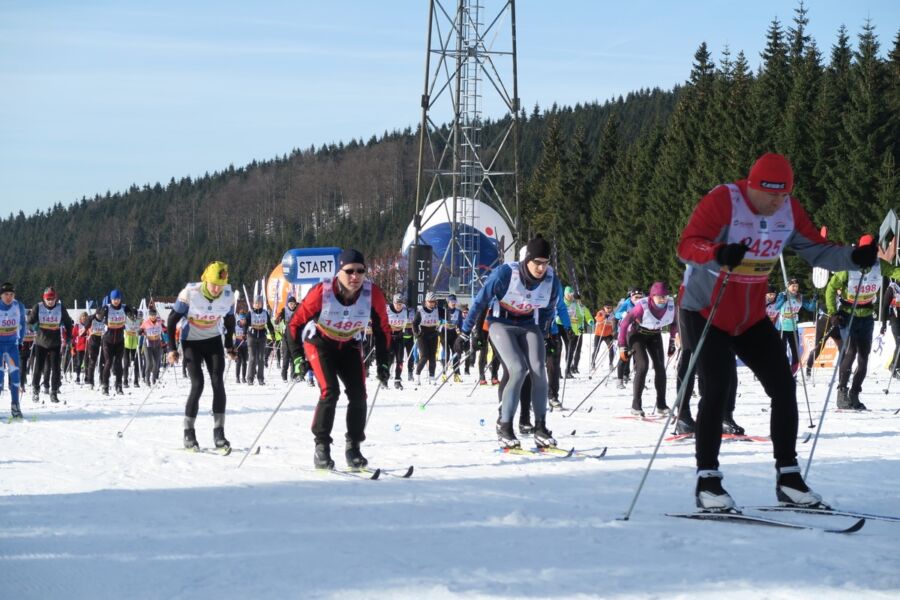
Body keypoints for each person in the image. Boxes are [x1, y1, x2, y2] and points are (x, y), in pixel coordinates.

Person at [677, 152, 874, 510]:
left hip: (749, 317)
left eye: (784, 194)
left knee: (784, 386)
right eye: (770, 194)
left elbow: (817, 250)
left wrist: (852, 258)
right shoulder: (724, 200)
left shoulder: (789, 211)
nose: (777, 201)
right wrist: (718, 253)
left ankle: (789, 477)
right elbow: (688, 244)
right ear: (752, 187)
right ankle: (708, 480)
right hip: (705, 310)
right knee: (717, 387)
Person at [455, 235, 570, 449]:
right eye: (537, 262)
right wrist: (465, 333)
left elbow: (547, 310)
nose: (541, 268)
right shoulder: (506, 274)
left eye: (545, 263)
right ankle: (505, 425)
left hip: (528, 324)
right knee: (517, 368)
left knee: (538, 368)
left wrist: (547, 336)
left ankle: (540, 427)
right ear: (527, 259)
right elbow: (479, 302)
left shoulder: (551, 281)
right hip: (501, 323)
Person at [287, 249, 391, 470]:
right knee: (330, 391)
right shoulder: (321, 292)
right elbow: (294, 324)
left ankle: (353, 447)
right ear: (339, 272)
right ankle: (322, 447)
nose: (355, 276)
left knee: (359, 394)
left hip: (349, 346)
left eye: (360, 271)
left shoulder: (373, 294)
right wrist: (297, 358)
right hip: (320, 344)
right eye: (349, 271)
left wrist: (384, 362)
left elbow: (383, 329)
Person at [167, 261, 236, 451]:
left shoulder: (228, 296)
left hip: (213, 339)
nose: (216, 289)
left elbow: (230, 321)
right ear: (205, 280)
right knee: (198, 383)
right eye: (214, 284)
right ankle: (189, 432)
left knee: (217, 382)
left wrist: (229, 345)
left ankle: (219, 433)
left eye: (220, 285)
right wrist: (171, 349)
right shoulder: (190, 293)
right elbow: (171, 321)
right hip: (191, 341)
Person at [825, 234, 900, 410]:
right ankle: (841, 392)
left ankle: (854, 393)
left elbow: (896, 272)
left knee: (864, 357)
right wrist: (833, 313)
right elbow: (830, 288)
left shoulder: (879, 265)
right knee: (850, 351)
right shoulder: (848, 268)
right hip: (848, 314)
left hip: (866, 315)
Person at [617, 281, 675, 417]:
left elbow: (674, 324)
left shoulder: (671, 305)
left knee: (660, 367)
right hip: (637, 334)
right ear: (652, 296)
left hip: (654, 335)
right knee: (643, 365)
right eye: (659, 297)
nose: (663, 299)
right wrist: (622, 346)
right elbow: (625, 323)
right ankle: (636, 405)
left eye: (665, 296)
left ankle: (661, 405)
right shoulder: (642, 305)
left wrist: (672, 342)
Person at [26, 287, 74, 404]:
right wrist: (33, 327)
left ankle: (53, 392)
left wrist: (69, 337)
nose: (50, 301)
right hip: (41, 342)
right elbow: (29, 322)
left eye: (52, 298)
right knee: (38, 368)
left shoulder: (60, 308)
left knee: (56, 369)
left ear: (55, 298)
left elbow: (68, 323)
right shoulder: (38, 307)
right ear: (44, 298)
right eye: (48, 299)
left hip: (55, 343)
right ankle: (36, 390)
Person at [93, 289, 138, 395]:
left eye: (118, 299)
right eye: (114, 299)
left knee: (118, 364)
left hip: (119, 340)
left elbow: (132, 315)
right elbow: (98, 316)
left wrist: (133, 313)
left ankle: (118, 385)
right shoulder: (107, 308)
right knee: (108, 363)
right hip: (107, 341)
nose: (116, 301)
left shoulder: (124, 307)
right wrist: (100, 313)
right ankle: (105, 385)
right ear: (111, 299)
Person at [774, 278, 816, 374]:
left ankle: (793, 373)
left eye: (796, 286)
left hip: (793, 327)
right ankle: (782, 372)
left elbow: (810, 308)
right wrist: (783, 300)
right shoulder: (782, 295)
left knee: (796, 352)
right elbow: (776, 307)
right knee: (782, 352)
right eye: (792, 286)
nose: (795, 288)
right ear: (788, 286)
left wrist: (814, 300)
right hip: (782, 327)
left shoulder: (800, 297)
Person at [0, 282, 28, 419]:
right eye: (6, 294)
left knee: (15, 376)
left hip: (12, 346)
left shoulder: (18, 306)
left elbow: (23, 324)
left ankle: (15, 405)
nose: (9, 297)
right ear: (1, 295)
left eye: (11, 294)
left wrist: (21, 340)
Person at [614, 288, 643, 388]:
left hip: (637, 333)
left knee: (638, 356)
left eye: (640, 297)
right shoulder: (626, 303)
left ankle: (638, 380)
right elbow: (616, 314)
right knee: (624, 356)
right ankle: (619, 380)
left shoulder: (643, 304)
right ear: (631, 297)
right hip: (624, 333)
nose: (638, 299)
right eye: (636, 297)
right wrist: (623, 314)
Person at [246, 296, 275, 386]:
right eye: (256, 303)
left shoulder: (265, 313)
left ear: (262, 304)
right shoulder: (250, 313)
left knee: (261, 358)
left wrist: (273, 334)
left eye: (259, 303)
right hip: (252, 336)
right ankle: (250, 378)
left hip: (262, 336)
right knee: (252, 358)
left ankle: (260, 378)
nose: (258, 305)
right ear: (253, 304)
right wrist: (243, 334)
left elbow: (269, 324)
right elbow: (245, 324)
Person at [413, 292, 441, 384]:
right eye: (430, 301)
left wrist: (446, 307)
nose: (432, 303)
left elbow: (448, 314)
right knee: (424, 357)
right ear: (426, 302)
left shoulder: (438, 310)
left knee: (433, 357)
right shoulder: (421, 311)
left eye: (433, 301)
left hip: (433, 334)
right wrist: (416, 333)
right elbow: (414, 323)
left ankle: (432, 377)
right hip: (423, 335)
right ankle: (417, 375)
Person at [386, 293, 413, 389]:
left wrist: (404, 330)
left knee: (400, 360)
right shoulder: (387, 309)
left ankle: (397, 380)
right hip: (389, 336)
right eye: (397, 304)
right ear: (393, 302)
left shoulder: (405, 309)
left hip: (399, 336)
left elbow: (406, 323)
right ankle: (384, 379)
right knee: (389, 360)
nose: (399, 306)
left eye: (400, 304)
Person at [274, 296, 300, 383]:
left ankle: (294, 375)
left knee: (294, 357)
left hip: (295, 336)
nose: (292, 305)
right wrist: (277, 319)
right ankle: (284, 375)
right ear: (288, 304)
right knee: (286, 356)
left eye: (293, 304)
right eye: (290, 304)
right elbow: (278, 318)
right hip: (286, 337)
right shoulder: (284, 310)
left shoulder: (299, 309)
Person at [441, 294, 464, 382]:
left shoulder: (458, 312)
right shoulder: (444, 311)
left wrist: (461, 333)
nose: (453, 303)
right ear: (448, 302)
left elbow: (460, 324)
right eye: (451, 302)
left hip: (454, 334)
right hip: (445, 333)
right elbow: (438, 321)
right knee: (446, 353)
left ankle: (456, 374)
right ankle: (444, 373)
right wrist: (443, 321)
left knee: (456, 353)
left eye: (454, 302)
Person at [140, 307, 166, 385]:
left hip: (157, 344)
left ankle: (153, 379)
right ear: (149, 316)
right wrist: (140, 331)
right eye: (151, 315)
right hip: (148, 345)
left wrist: (164, 342)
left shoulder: (159, 322)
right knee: (149, 363)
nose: (153, 317)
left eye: (154, 315)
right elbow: (140, 330)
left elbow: (163, 331)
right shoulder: (146, 322)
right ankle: (147, 379)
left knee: (157, 363)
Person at [880, 279, 900, 379]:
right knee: (899, 343)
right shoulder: (892, 288)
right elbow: (884, 307)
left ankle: (893, 364)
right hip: (895, 319)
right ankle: (895, 367)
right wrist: (883, 324)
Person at [591, 302, 616, 373]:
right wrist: (604, 317)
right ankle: (593, 363)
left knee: (611, 349)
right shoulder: (601, 312)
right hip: (599, 334)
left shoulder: (613, 315)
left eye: (610, 308)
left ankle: (611, 364)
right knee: (596, 349)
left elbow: (614, 324)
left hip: (608, 335)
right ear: (604, 307)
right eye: (607, 308)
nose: (608, 309)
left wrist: (614, 332)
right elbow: (598, 319)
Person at [123, 310, 142, 388]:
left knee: (136, 363)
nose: (133, 318)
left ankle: (136, 381)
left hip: (135, 345)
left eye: (134, 316)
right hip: (126, 345)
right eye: (131, 316)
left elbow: (143, 326)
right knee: (126, 363)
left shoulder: (138, 321)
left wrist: (141, 331)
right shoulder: (126, 320)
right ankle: (125, 381)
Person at [72, 312, 90, 385]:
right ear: (80, 318)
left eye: (85, 317)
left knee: (86, 363)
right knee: (79, 363)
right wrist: (72, 347)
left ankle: (86, 377)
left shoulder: (89, 325)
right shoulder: (77, 326)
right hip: (79, 347)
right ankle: (78, 377)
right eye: (83, 317)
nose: (84, 318)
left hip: (87, 346)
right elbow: (73, 336)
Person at [233, 311, 249, 383]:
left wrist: (246, 337)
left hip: (244, 346)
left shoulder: (246, 327)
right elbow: (233, 337)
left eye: (244, 319)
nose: (244, 321)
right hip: (237, 347)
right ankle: (237, 378)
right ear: (239, 320)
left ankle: (243, 377)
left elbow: (249, 336)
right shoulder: (235, 327)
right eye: (242, 319)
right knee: (238, 362)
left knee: (244, 362)